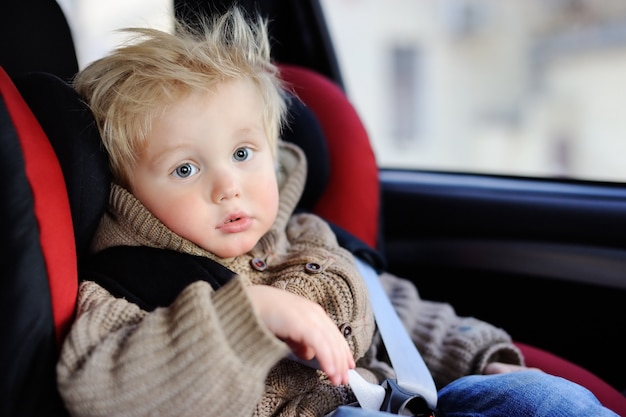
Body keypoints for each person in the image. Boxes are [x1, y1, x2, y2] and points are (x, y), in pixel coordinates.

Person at [55, 6, 619, 417]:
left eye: (244, 154)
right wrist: (247, 315)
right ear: (126, 191)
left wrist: (479, 358)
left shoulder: (305, 238)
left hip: (399, 399)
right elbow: (104, 392)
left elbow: (395, 312)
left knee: (548, 399)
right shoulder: (122, 290)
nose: (228, 186)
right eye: (185, 169)